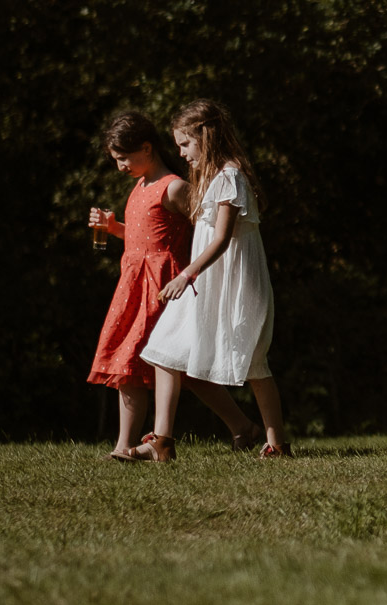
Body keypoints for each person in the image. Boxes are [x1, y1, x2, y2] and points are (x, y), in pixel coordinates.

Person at [88, 110, 265, 461]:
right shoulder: (140, 187)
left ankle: (242, 427)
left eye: (124, 158)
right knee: (131, 363)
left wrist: (189, 275)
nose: (120, 166)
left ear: (147, 148)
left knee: (183, 364)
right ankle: (126, 444)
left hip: (164, 283)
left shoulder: (175, 187)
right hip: (135, 285)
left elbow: (203, 231)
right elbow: (144, 238)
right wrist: (115, 229)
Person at [132, 99, 290, 461]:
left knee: (252, 363)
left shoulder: (231, 177)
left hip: (233, 286)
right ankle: (163, 441)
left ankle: (277, 443)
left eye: (186, 144)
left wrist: (185, 275)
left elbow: (221, 239)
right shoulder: (213, 178)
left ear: (207, 136)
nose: (182, 153)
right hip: (207, 285)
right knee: (165, 348)